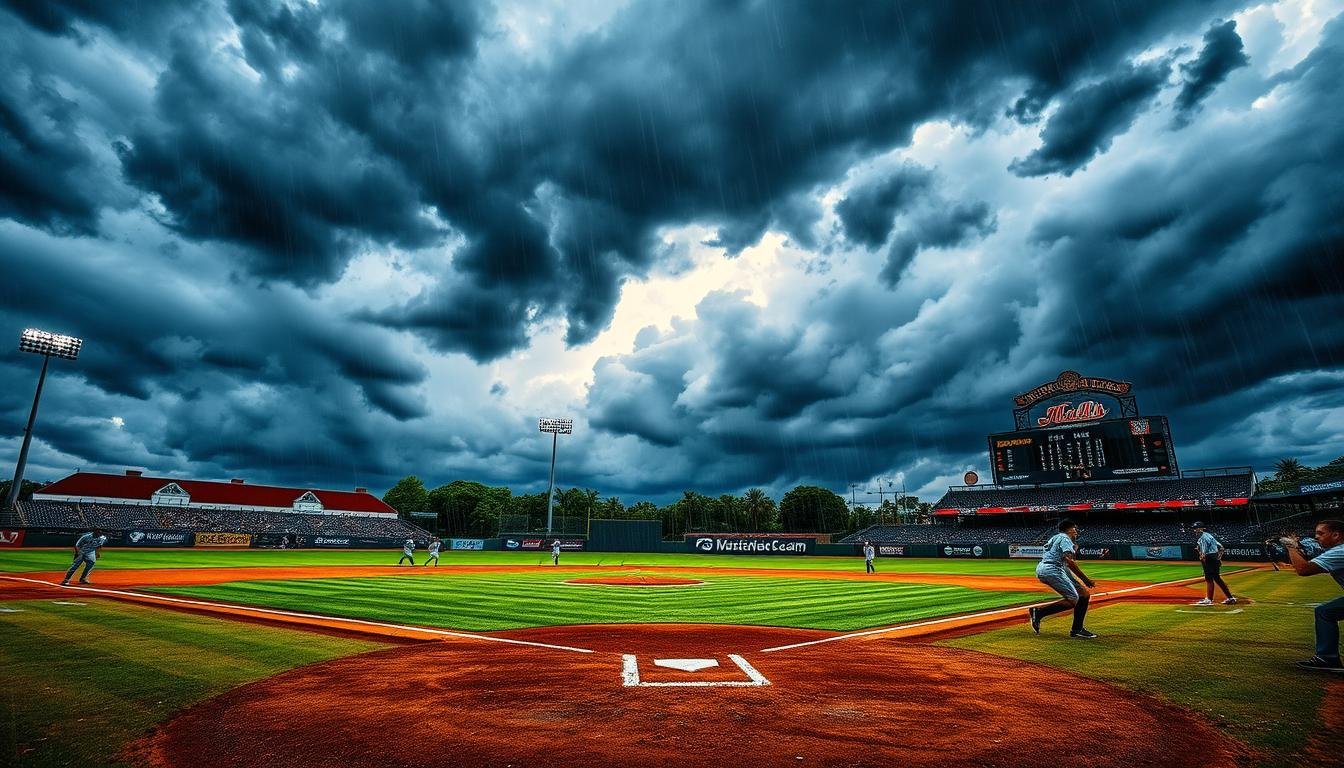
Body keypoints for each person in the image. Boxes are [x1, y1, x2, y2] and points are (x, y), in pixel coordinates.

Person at [1281, 520, 1344, 671]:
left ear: (1336, 535)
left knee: (1324, 612)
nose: (1316, 537)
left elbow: (1303, 569)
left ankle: (1327, 658)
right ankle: (1327, 657)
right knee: (1325, 611)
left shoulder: (1339, 551)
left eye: (1321, 533)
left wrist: (1291, 546)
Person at [1027, 519, 1098, 639]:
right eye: (1075, 529)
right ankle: (1038, 613)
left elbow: (1064, 561)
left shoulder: (1057, 537)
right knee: (1073, 599)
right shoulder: (1065, 538)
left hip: (1052, 567)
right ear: (1070, 529)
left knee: (1083, 594)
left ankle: (1077, 629)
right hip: (1052, 569)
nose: (1076, 532)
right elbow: (1069, 561)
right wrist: (1085, 579)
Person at [1192, 522, 1235, 605]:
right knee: (1217, 578)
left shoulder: (1203, 538)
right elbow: (1221, 547)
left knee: (1209, 579)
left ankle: (1209, 599)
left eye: (1196, 528)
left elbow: (1203, 555)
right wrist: (1218, 558)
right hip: (1214, 557)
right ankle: (1230, 598)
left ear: (1201, 528)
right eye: (1194, 528)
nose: (1195, 530)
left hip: (1209, 558)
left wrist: (1203, 561)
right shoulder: (1209, 535)